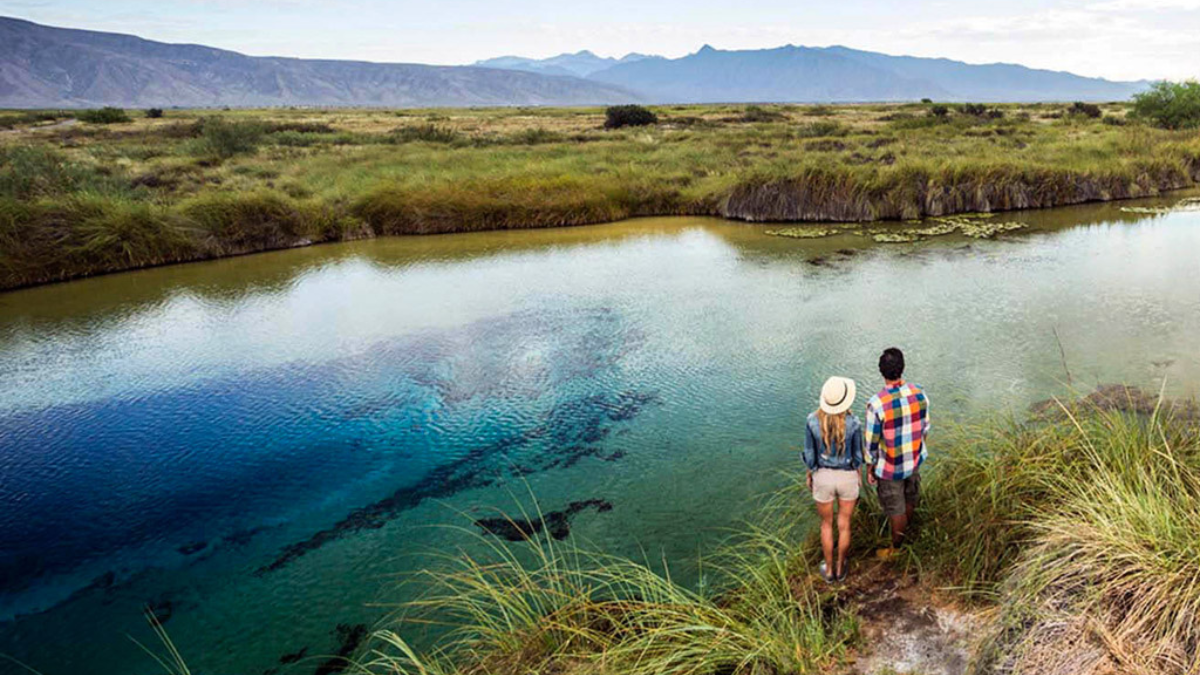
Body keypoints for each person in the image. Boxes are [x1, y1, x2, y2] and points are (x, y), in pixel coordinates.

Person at [864, 347, 929, 558]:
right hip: (914, 460)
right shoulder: (919, 393)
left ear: (881, 371)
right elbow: (925, 428)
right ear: (902, 368)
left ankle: (897, 549)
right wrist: (916, 451)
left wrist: (870, 466)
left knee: (896, 509)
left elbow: (871, 443)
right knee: (910, 498)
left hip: (890, 467)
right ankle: (907, 535)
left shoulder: (876, 404)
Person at [803, 375, 865, 583]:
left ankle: (829, 571)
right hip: (847, 477)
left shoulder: (812, 420)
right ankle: (841, 567)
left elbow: (810, 455)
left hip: (823, 478)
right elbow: (858, 457)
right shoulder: (854, 422)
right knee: (844, 524)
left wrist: (811, 473)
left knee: (826, 525)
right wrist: (858, 474)